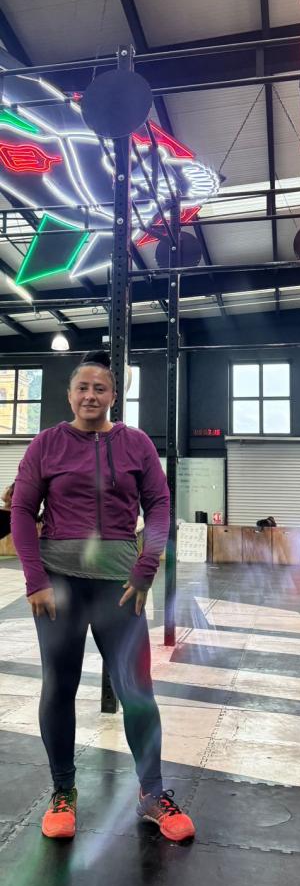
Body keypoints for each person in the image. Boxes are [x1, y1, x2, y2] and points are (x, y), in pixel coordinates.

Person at [11, 350, 195, 843]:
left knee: (137, 692)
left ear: (115, 395)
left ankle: (152, 794)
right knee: (59, 687)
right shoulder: (46, 444)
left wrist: (146, 568)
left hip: (120, 588)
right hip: (59, 587)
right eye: (82, 388)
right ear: (69, 394)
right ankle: (62, 793)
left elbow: (160, 506)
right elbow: (22, 511)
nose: (90, 396)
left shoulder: (136, 444)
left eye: (100, 388)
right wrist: (35, 579)